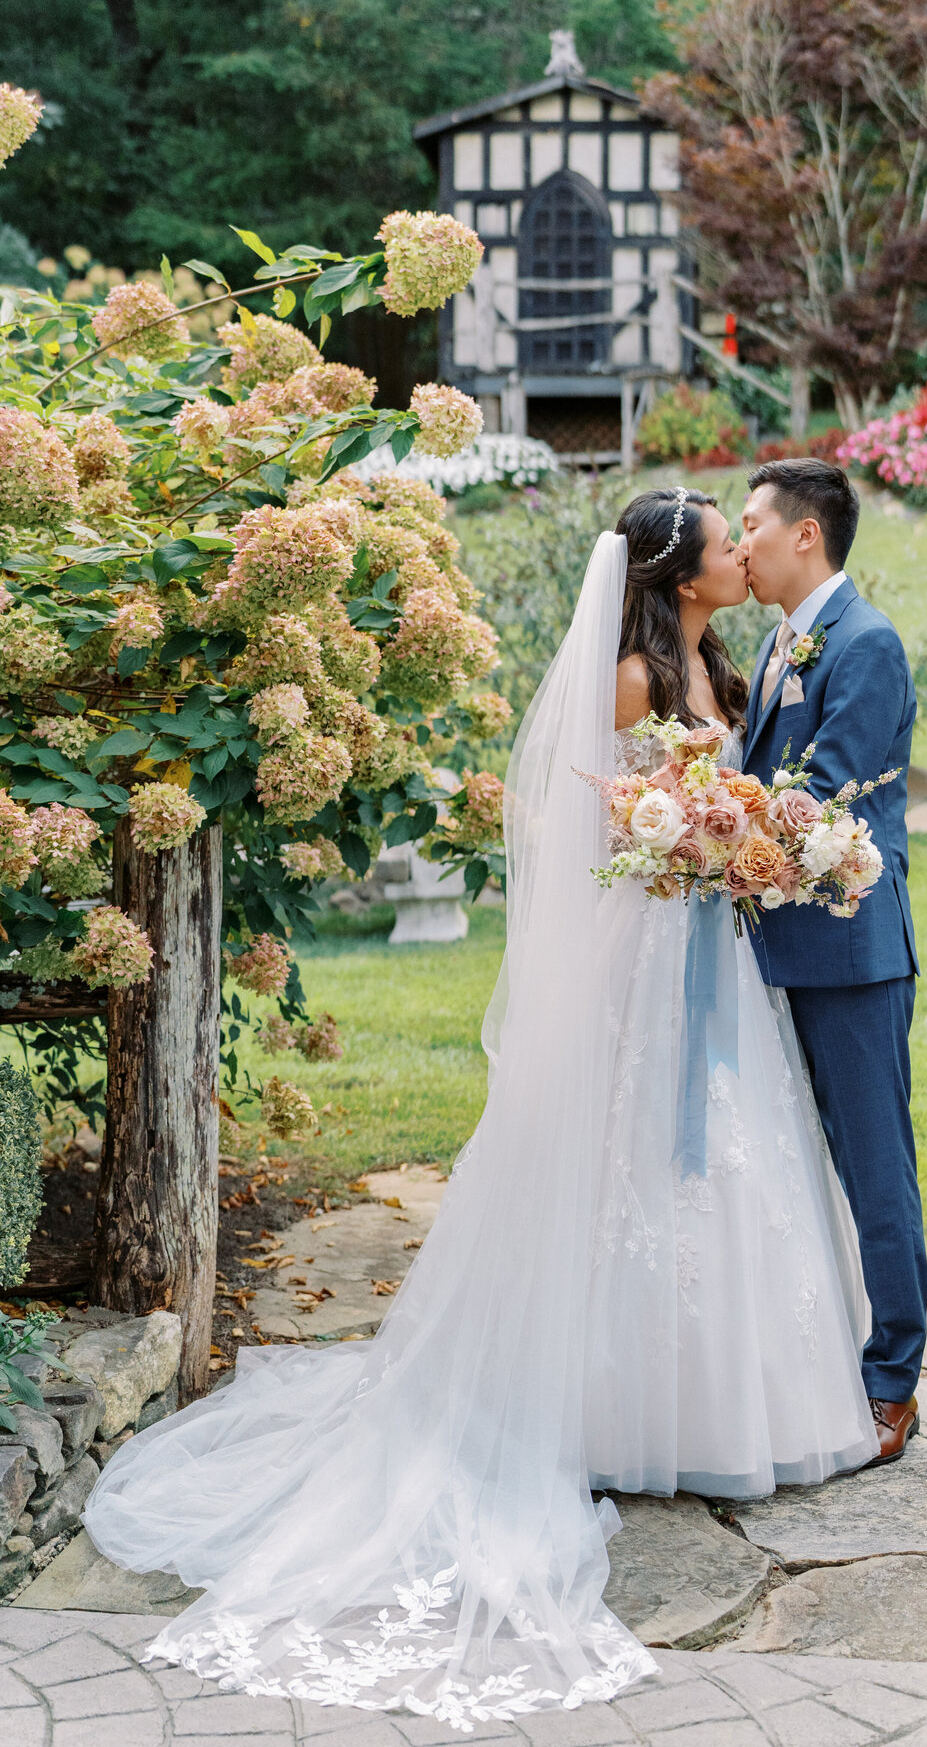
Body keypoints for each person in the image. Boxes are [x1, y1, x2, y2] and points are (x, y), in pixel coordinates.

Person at [83, 488, 877, 1730]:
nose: (739, 553)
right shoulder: (626, 680)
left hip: (714, 963)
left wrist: (744, 836)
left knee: (723, 1166)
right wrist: (701, 839)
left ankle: (728, 1396)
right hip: (652, 968)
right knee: (629, 1166)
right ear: (676, 573)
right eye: (723, 543)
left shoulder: (718, 661)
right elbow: (601, 845)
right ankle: (605, 1405)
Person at [739, 458, 926, 1464]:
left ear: (805, 533)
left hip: (851, 953)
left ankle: (895, 1377)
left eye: (753, 523)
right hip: (781, 950)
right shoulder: (782, 641)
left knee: (873, 1168)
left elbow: (830, 798)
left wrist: (712, 825)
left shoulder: (867, 643)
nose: (742, 542)